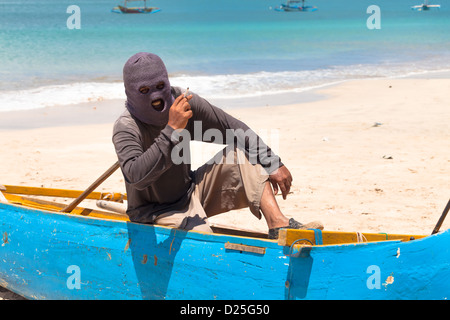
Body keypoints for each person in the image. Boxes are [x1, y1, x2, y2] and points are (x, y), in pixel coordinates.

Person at [112, 52, 323, 239]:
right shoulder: (126, 127)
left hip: (190, 193)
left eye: (160, 87)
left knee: (243, 151)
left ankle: (278, 224)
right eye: (145, 90)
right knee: (203, 241)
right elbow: (137, 178)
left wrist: (273, 162)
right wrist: (171, 130)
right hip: (154, 213)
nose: (156, 97)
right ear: (130, 93)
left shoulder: (184, 104)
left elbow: (233, 129)